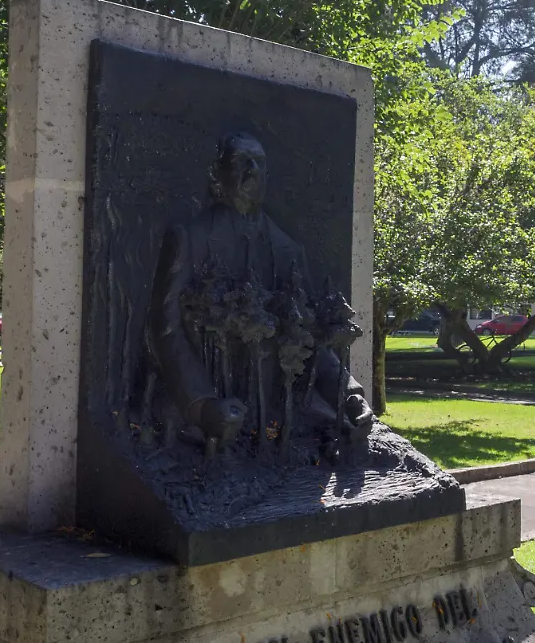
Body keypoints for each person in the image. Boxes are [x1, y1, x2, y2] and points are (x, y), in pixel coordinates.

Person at [146, 132, 373, 458]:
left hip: (276, 415)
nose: (251, 170)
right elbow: (164, 328)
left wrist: (348, 395)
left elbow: (307, 336)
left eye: (259, 163)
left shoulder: (289, 251)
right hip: (202, 411)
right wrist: (203, 405)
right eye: (240, 161)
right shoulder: (189, 239)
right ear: (218, 173)